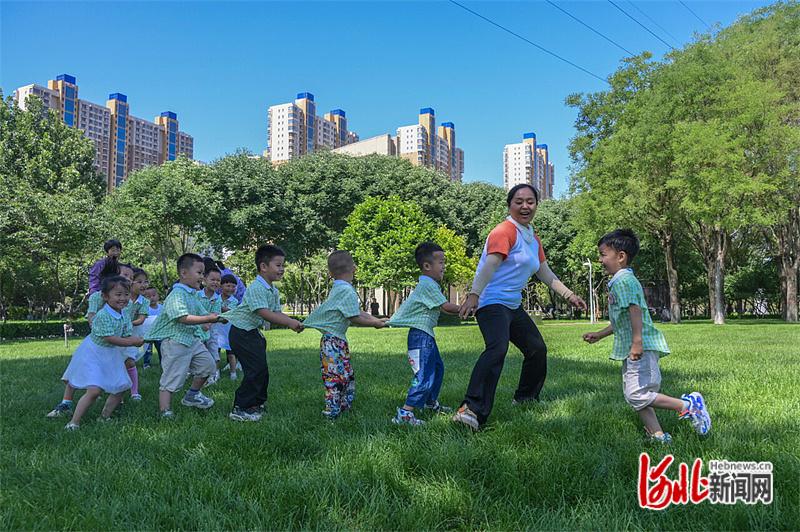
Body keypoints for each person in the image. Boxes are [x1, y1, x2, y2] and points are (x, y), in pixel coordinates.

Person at [453, 184, 587, 431]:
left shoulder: (532, 238)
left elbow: (545, 273)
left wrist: (569, 295)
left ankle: (525, 399)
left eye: (530, 201)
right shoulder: (504, 231)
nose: (525, 206)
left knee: (536, 349)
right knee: (497, 349)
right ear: (509, 204)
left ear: (537, 204)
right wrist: (473, 295)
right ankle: (470, 410)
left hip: (512, 306)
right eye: (519, 201)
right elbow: (489, 266)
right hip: (491, 302)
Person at [582, 229, 711, 442]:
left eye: (603, 254)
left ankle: (689, 406)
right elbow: (620, 320)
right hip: (633, 347)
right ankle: (658, 437)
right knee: (637, 395)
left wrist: (637, 343)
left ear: (620, 256)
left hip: (640, 347)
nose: (600, 259)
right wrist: (600, 334)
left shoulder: (624, 281)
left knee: (636, 394)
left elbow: (635, 311)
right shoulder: (619, 280)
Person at [221, 245, 303, 422]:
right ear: (264, 266)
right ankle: (240, 407)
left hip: (252, 333)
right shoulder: (257, 287)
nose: (282, 269)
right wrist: (289, 322)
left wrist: (292, 322)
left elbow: (276, 312)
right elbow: (264, 313)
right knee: (254, 370)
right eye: (278, 265)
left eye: (283, 265)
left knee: (262, 370)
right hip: (242, 333)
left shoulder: (272, 290)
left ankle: (256, 403)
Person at [302, 250, 387, 420]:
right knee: (335, 377)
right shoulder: (346, 290)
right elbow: (354, 316)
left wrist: (376, 319)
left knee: (346, 375)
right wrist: (375, 323)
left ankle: (343, 406)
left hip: (336, 341)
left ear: (330, 273)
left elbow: (356, 311)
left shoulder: (340, 288)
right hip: (333, 342)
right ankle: (331, 412)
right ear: (354, 268)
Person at [386, 242, 462, 425]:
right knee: (424, 375)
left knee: (437, 369)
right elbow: (447, 307)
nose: (444, 266)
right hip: (421, 338)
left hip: (425, 336)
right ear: (427, 266)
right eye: (441, 262)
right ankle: (405, 413)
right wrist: (472, 307)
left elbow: (441, 308)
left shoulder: (430, 285)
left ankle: (429, 402)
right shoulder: (428, 285)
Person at [46, 260, 133, 418]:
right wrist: (99, 327)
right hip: (95, 347)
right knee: (81, 378)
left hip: (111, 349)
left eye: (130, 277)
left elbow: (125, 329)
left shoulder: (125, 308)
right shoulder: (99, 301)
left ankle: (105, 415)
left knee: (116, 383)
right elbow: (94, 317)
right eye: (124, 275)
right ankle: (67, 407)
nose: (128, 279)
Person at [61, 276, 144, 430]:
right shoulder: (103, 316)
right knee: (94, 390)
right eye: (118, 295)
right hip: (94, 354)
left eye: (126, 294)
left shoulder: (124, 314)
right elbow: (111, 338)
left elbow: (125, 334)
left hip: (111, 354)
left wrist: (138, 338)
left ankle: (104, 417)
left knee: (121, 386)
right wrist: (133, 342)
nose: (123, 298)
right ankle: (73, 422)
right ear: (106, 297)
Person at [145, 253, 220, 419]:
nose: (202, 277)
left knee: (208, 366)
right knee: (172, 377)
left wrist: (211, 319)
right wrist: (207, 319)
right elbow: (182, 317)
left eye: (203, 273)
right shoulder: (176, 295)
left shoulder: (192, 294)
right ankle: (165, 411)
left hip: (192, 340)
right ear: (184, 273)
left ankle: (192, 395)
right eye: (199, 273)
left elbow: (202, 313)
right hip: (175, 342)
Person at [123, 266, 150, 401]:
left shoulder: (144, 301)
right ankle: (113, 390)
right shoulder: (122, 297)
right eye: (139, 281)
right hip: (117, 333)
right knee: (114, 362)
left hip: (133, 333)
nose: (143, 285)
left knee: (130, 361)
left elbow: (141, 319)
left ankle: (134, 392)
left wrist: (128, 324)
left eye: (145, 282)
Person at [196, 265, 223, 385]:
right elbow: (194, 311)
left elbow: (216, 314)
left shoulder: (217, 299)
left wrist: (208, 323)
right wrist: (202, 322)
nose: (216, 282)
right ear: (204, 280)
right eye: (213, 279)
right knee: (197, 351)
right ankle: (196, 373)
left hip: (212, 329)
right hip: (197, 328)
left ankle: (215, 374)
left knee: (213, 350)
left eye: (218, 280)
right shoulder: (197, 295)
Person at [217, 274, 240, 380]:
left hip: (229, 331)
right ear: (221, 286)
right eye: (228, 286)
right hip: (217, 331)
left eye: (233, 286)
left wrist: (218, 307)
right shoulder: (216, 299)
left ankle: (233, 373)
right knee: (215, 353)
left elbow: (230, 312)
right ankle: (216, 373)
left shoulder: (234, 301)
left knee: (231, 354)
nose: (231, 288)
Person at [141, 286, 163, 368]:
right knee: (147, 349)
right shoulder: (145, 308)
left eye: (153, 295)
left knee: (161, 349)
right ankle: (146, 364)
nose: (152, 298)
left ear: (158, 296)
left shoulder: (162, 308)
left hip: (159, 333)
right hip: (148, 333)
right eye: (148, 296)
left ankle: (163, 363)